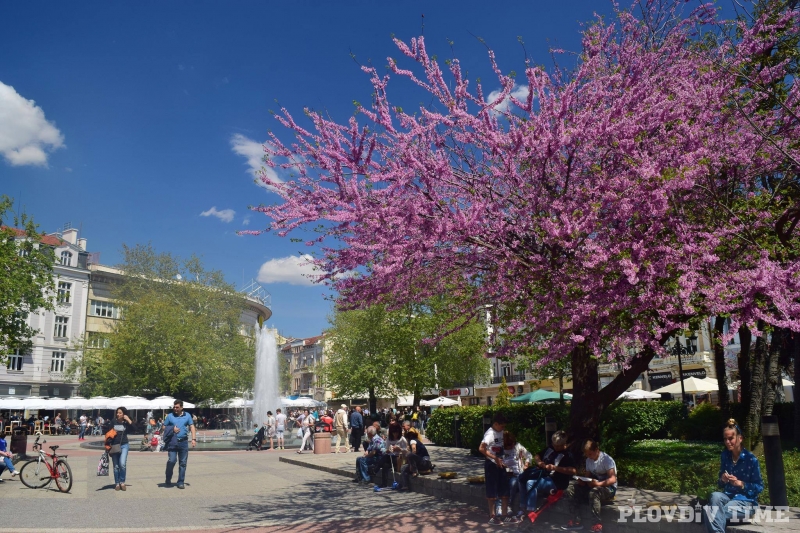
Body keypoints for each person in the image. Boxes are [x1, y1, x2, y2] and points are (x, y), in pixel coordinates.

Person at [703, 418, 763, 533]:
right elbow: (720, 484)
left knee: (709, 512)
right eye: (725, 439)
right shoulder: (725, 456)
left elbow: (759, 487)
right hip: (727, 497)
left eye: (731, 438)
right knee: (714, 496)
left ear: (740, 438)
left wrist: (741, 484)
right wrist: (723, 479)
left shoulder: (751, 459)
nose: (727, 442)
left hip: (745, 502)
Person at [562, 440, 617, 532]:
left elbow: (612, 479)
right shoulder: (588, 460)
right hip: (594, 485)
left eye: (590, 454)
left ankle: (597, 525)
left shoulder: (607, 460)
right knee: (570, 489)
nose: (588, 456)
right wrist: (582, 481)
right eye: (587, 455)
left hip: (608, 488)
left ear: (597, 450)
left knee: (594, 493)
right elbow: (588, 477)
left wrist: (598, 484)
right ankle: (576, 521)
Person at [521, 430, 575, 517]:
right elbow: (537, 456)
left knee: (531, 483)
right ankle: (522, 508)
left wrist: (555, 468)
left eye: (557, 446)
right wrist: (540, 462)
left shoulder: (568, 454)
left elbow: (573, 470)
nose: (555, 447)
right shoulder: (550, 448)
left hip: (555, 481)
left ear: (563, 444)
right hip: (543, 475)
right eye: (554, 444)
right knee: (522, 478)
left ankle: (530, 511)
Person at [480, 413, 514, 525]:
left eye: (504, 426)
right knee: (492, 490)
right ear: (495, 424)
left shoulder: (502, 432)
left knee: (504, 489)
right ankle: (492, 516)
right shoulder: (490, 434)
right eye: (501, 426)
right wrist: (494, 458)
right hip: (492, 464)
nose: (503, 428)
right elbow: (481, 448)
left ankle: (504, 515)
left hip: (501, 463)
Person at [163, 400, 196, 489]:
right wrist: (172, 429)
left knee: (183, 463)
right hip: (172, 442)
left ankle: (180, 482)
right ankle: (168, 478)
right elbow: (163, 427)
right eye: (174, 407)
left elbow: (192, 426)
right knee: (172, 461)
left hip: (183, 442)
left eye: (177, 407)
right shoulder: (170, 416)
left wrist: (193, 439)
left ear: (181, 407)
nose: (175, 409)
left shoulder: (187, 415)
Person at [500, 431, 531, 518]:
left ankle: (509, 505)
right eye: (509, 445)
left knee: (513, 483)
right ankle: (501, 506)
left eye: (512, 443)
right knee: (502, 483)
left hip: (517, 474)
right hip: (504, 473)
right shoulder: (500, 449)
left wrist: (526, 464)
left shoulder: (518, 447)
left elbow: (529, 455)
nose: (511, 446)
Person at [108, 407, 133, 491]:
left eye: (120, 413)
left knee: (122, 464)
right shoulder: (113, 421)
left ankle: (122, 482)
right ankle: (117, 483)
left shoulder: (126, 423)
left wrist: (128, 420)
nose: (118, 414)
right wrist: (108, 446)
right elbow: (108, 433)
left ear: (124, 414)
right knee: (116, 466)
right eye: (117, 413)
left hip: (124, 445)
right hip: (114, 446)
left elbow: (135, 429)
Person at [378, 422, 407, 488]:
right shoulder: (389, 439)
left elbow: (406, 452)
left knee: (386, 458)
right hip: (390, 457)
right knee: (385, 465)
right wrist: (389, 450)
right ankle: (384, 483)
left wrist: (399, 449)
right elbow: (386, 450)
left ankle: (376, 468)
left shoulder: (402, 439)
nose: (395, 434)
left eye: (396, 432)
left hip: (398, 458)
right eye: (394, 433)